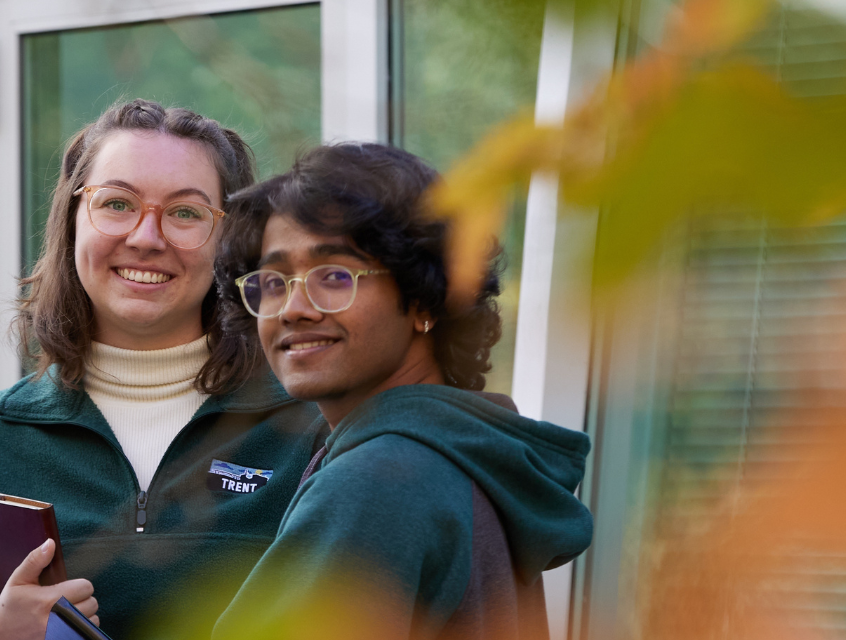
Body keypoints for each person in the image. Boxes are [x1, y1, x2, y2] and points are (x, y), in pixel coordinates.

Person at [0, 100, 325, 640]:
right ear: (72, 221)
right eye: (117, 203)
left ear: (231, 240)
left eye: (186, 213)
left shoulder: (309, 429)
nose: (147, 237)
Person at [209, 143, 594, 640]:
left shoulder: (377, 481)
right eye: (273, 281)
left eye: (334, 276)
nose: (293, 308)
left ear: (424, 299)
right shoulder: (465, 456)